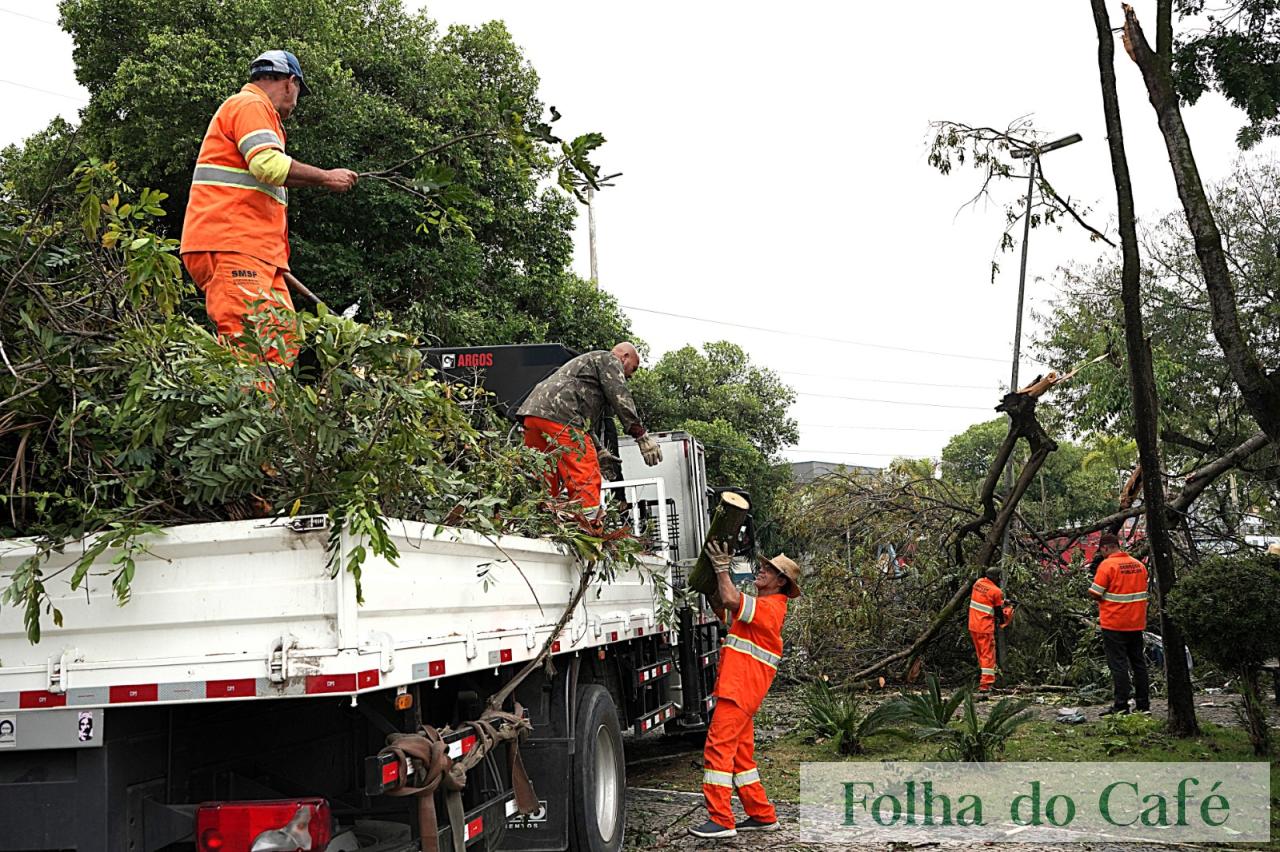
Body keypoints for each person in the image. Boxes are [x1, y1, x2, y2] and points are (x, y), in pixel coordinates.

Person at [180, 50, 359, 364]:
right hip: (233, 245)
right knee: (260, 347)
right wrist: (327, 177)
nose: (296, 102)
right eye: (299, 92)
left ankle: (270, 411)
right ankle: (255, 411)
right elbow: (269, 166)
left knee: (283, 337)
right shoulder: (251, 105)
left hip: (255, 253)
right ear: (290, 83)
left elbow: (265, 177)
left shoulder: (252, 110)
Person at [689, 541, 803, 839]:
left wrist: (722, 569)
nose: (761, 570)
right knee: (741, 758)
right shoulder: (758, 608)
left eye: (769, 569)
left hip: (739, 691)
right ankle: (762, 815)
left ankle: (721, 820)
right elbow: (723, 607)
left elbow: (730, 598)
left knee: (718, 749)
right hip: (741, 692)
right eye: (764, 566)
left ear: (782, 582)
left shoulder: (769, 608)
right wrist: (709, 581)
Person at [517, 343, 661, 512]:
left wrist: (599, 450)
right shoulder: (609, 359)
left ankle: (541, 524)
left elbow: (584, 422)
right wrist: (641, 435)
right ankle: (589, 529)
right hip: (561, 417)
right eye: (634, 369)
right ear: (624, 357)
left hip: (533, 416)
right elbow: (620, 396)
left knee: (545, 478)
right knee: (585, 476)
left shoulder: (587, 372)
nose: (631, 375)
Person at [1087, 532, 1150, 716]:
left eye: (1102, 551)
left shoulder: (1108, 565)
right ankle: (1143, 705)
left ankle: (1121, 705)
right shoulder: (1139, 565)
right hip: (1136, 623)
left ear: (1106, 548)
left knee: (1119, 665)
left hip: (1114, 623)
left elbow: (1095, 592)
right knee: (1139, 664)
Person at [968, 567, 1013, 698]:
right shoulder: (996, 591)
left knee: (981, 654)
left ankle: (984, 681)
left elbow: (986, 600)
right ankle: (985, 685)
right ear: (995, 577)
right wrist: (1007, 613)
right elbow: (998, 612)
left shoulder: (978, 583)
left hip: (973, 625)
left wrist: (1003, 602)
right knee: (988, 655)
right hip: (985, 628)